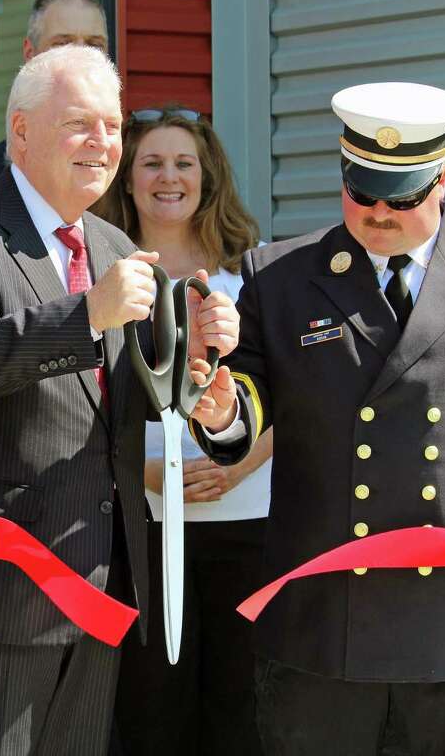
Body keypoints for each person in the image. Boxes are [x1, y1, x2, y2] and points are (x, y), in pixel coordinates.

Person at [191, 82, 445, 756]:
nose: (379, 212)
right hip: (322, 628)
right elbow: (248, 397)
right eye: (363, 191)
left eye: (403, 195)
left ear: (442, 180)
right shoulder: (280, 276)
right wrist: (223, 408)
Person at [0, 45, 241, 756]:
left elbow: (137, 406)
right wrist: (85, 317)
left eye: (111, 127)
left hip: (100, 587)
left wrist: (207, 389)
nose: (104, 143)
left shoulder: (113, 245)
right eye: (81, 124)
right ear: (21, 131)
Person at [91, 104, 269, 755]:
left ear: (208, 177)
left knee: (239, 709)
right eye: (152, 163)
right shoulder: (106, 276)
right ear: (128, 179)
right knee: (152, 714)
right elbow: (86, 403)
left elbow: (290, 400)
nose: (169, 177)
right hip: (144, 527)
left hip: (246, 521)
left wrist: (238, 465)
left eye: (183, 163)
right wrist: (141, 469)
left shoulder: (254, 275)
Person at [0, 0, 108, 191]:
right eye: (63, 44)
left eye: (94, 45)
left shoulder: (127, 172)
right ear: (30, 53)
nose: (82, 56)